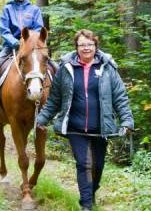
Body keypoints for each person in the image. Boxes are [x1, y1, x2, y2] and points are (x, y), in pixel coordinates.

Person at [36, 29, 134, 211]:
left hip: (101, 127)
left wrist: (127, 120)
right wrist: (42, 118)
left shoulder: (107, 68)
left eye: (89, 44)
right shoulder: (66, 68)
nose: (86, 48)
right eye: (82, 45)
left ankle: (92, 191)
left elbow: (120, 97)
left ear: (96, 46)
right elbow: (55, 99)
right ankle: (86, 205)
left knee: (97, 165)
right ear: (76, 47)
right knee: (84, 164)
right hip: (75, 127)